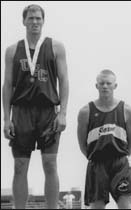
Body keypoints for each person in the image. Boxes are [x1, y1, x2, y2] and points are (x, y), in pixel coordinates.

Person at [2, 4, 69, 209]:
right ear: (24, 21)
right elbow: (7, 85)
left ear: (43, 21)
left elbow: (64, 81)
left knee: (50, 164)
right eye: (30, 18)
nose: (34, 22)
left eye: (38, 18)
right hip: (22, 112)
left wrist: (63, 113)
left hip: (48, 111)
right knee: (20, 166)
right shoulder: (13, 50)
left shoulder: (56, 47)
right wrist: (6, 118)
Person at [77, 70, 131, 209]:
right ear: (96, 86)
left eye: (108, 83)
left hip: (120, 163)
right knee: (96, 207)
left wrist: (122, 156)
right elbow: (82, 143)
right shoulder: (85, 112)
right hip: (97, 164)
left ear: (115, 86)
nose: (105, 86)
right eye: (101, 83)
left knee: (126, 205)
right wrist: (93, 156)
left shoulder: (127, 110)